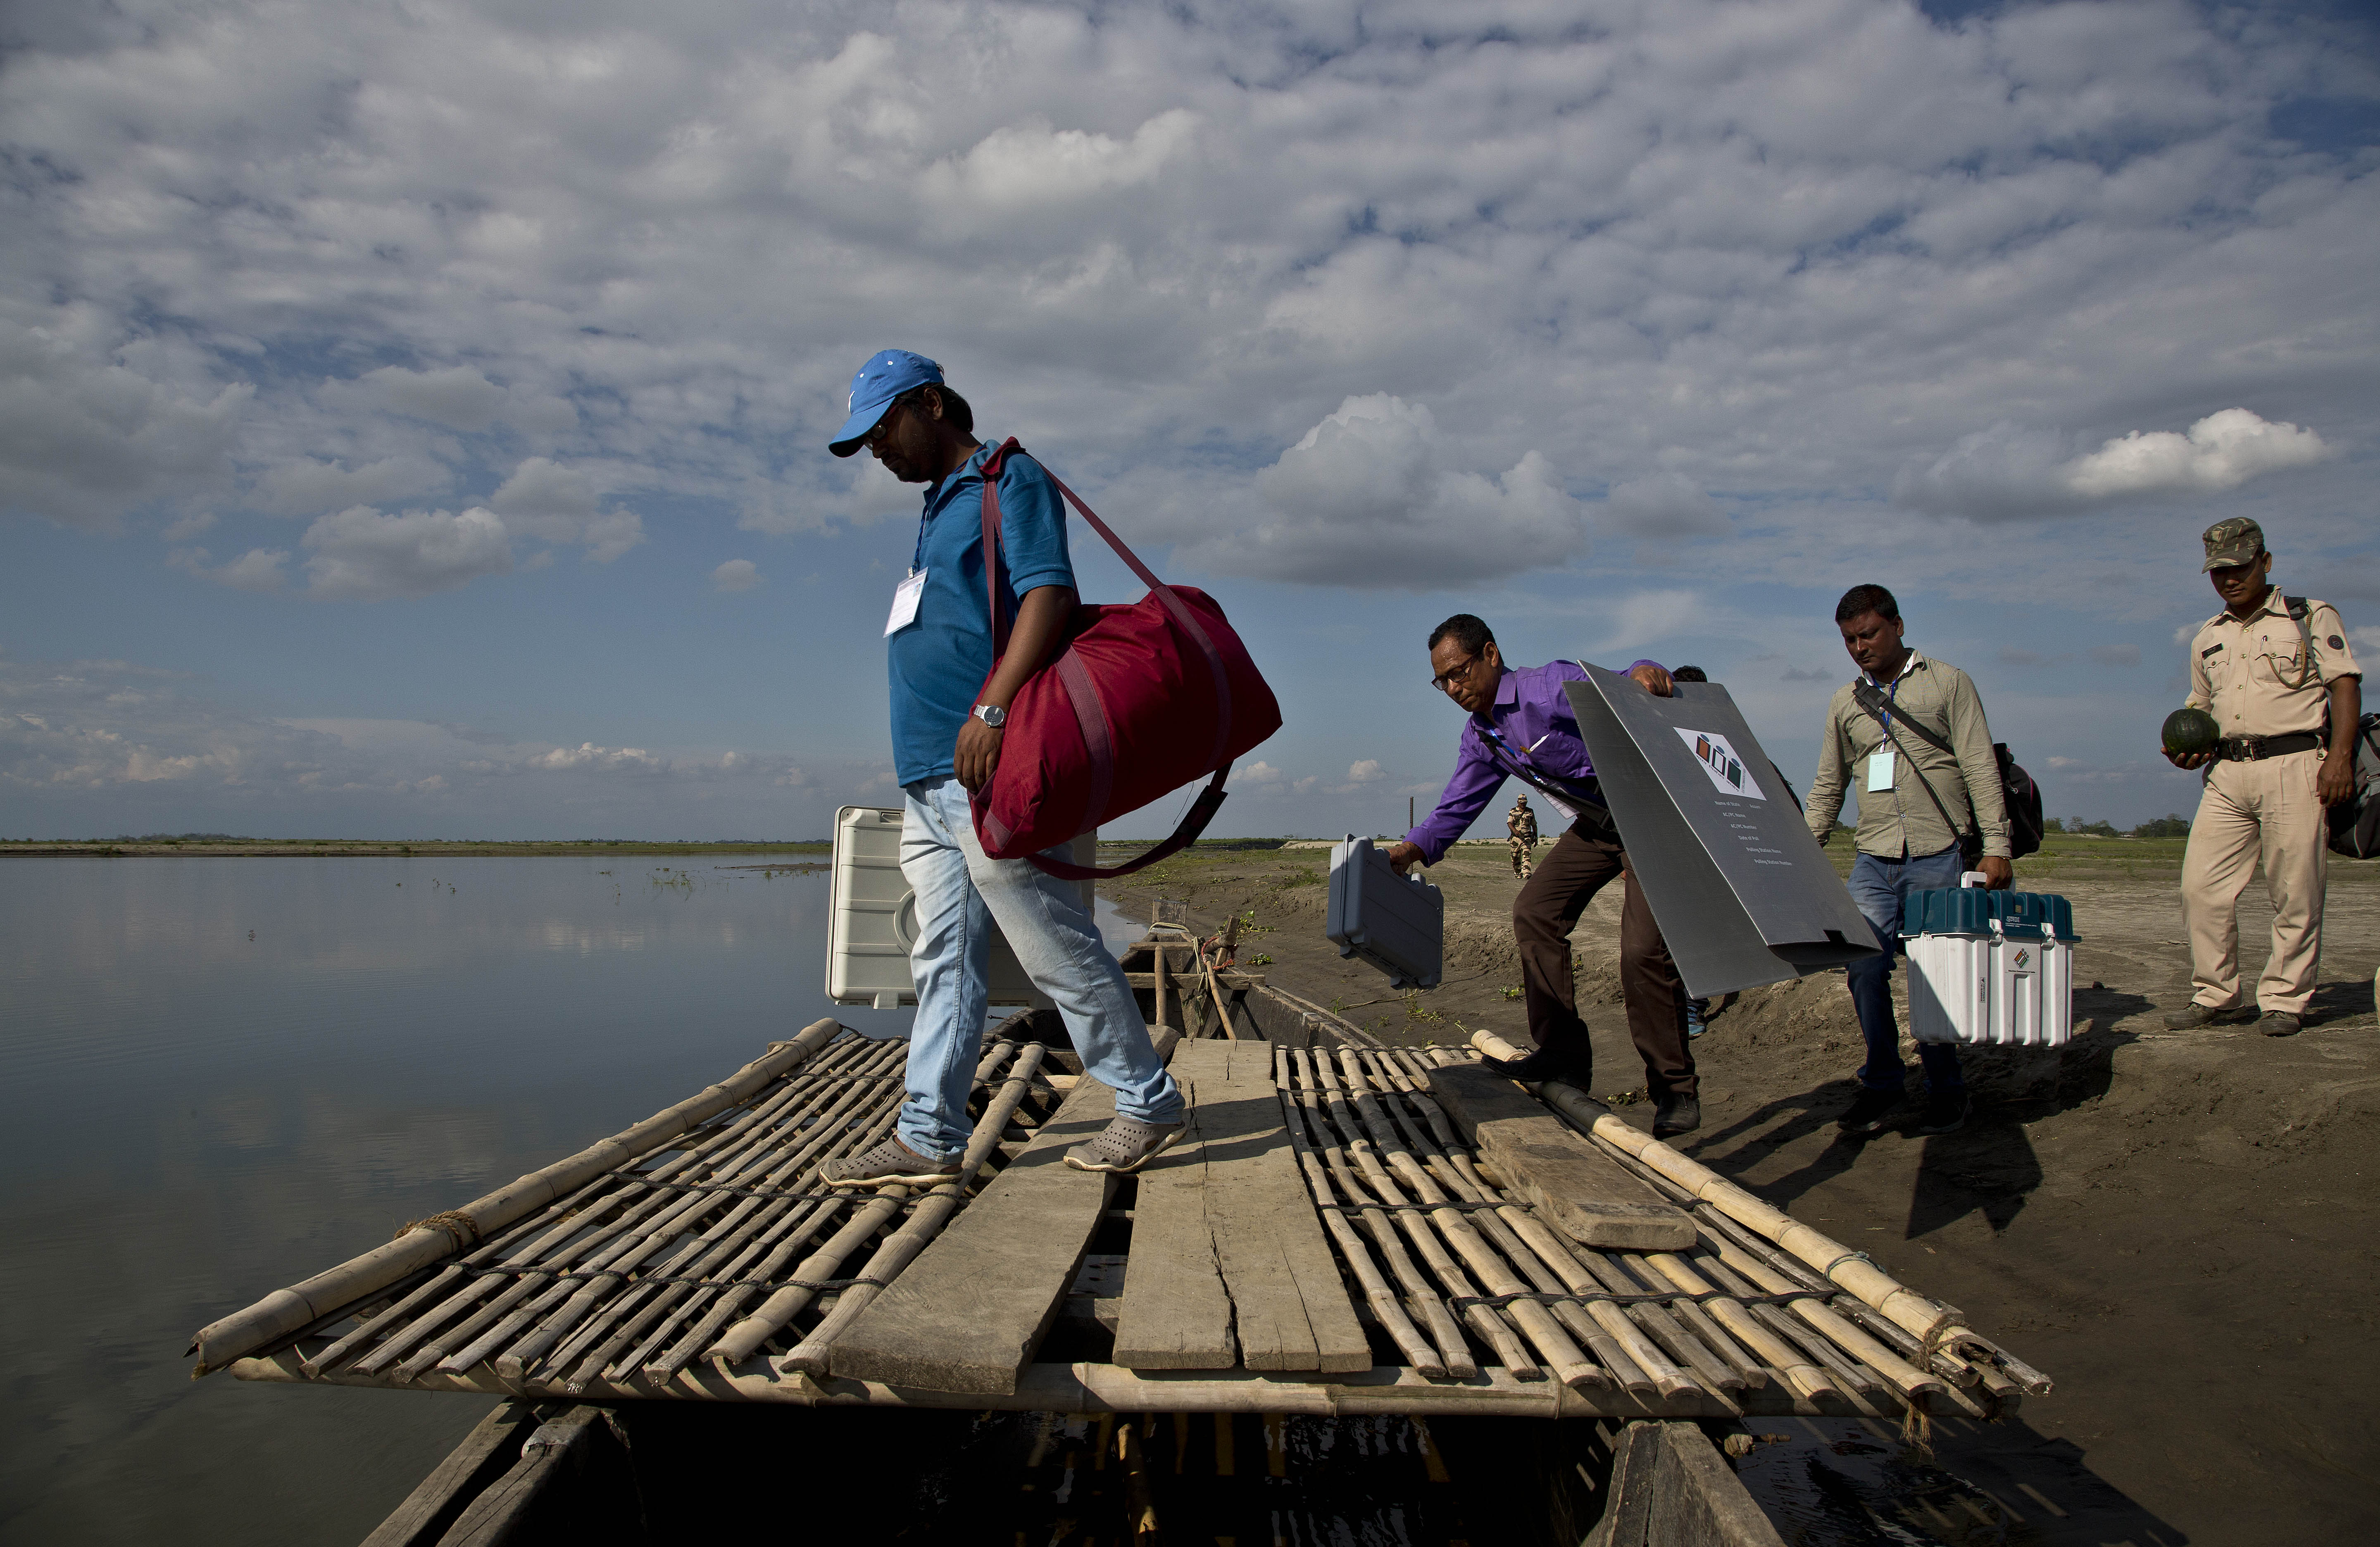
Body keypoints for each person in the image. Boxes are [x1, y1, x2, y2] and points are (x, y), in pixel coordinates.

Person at [815, 350, 1185, 1184]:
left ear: (932, 403)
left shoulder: (1006, 480)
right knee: (941, 957)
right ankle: (929, 1135)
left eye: (882, 429)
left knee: (1053, 942)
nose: (876, 450)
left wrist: (992, 710)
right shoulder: (938, 505)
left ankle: (1146, 1100)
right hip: (927, 776)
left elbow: (1048, 593)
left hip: (988, 765)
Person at [1385, 615, 1702, 1137]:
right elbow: (1455, 808)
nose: (1453, 689)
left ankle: (1675, 1089)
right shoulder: (1483, 736)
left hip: (1652, 816)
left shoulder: (1545, 688)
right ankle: (1562, 1057)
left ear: (1490, 655)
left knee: (1642, 950)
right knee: (1535, 912)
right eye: (1442, 681)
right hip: (1600, 825)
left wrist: (1646, 670)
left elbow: (1626, 680)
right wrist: (1407, 852)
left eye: (1459, 673)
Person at [1806, 584, 2011, 1139]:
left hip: (1938, 854)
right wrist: (1804, 849)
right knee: (1863, 966)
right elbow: (1829, 784)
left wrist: (1997, 846)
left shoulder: (1949, 683)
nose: (1859, 647)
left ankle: (1946, 1091)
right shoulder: (1845, 703)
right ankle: (1881, 1083)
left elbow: (1978, 767)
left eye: (1868, 634)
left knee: (1934, 978)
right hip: (1873, 858)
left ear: (1897, 626)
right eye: (1849, 639)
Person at [2163, 519, 2362, 1037]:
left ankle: (2285, 999)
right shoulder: (2208, 636)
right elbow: (2199, 708)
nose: (2230, 579)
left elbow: (2344, 686)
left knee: (2295, 891)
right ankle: (2217, 994)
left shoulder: (2309, 616)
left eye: (2240, 567)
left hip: (2296, 765)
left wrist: (2339, 759)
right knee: (2199, 888)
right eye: (2219, 571)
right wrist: (2184, 749)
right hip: (2226, 772)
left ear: (2265, 562)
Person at [1671, 665, 1716, 1039]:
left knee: (1701, 932)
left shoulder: (1721, 744)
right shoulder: (1661, 742)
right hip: (1675, 854)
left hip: (1712, 856)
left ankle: (1691, 1005)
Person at [1506, 795, 1539, 879]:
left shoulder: (1530, 811)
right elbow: (1509, 823)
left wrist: (1536, 837)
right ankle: (1518, 873)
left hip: (1527, 838)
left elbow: (1534, 824)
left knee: (1527, 855)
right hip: (1516, 839)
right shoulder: (1513, 811)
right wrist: (1515, 831)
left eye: (1525, 803)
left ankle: (1527, 873)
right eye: (1522, 803)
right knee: (1515, 858)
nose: (1523, 805)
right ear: (1518, 803)